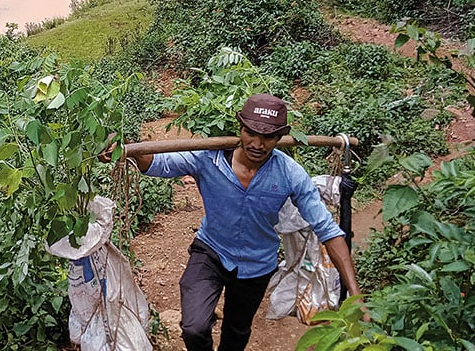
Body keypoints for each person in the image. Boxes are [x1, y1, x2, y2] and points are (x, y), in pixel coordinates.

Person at [112, 93, 361, 351]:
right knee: (193, 328)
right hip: (211, 251)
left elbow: (328, 230)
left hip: (257, 265)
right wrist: (127, 149)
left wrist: (355, 293)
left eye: (268, 137)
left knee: (237, 332)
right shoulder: (208, 158)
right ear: (240, 128)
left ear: (280, 138)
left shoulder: (289, 174)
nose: (257, 143)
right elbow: (158, 163)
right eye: (251, 132)